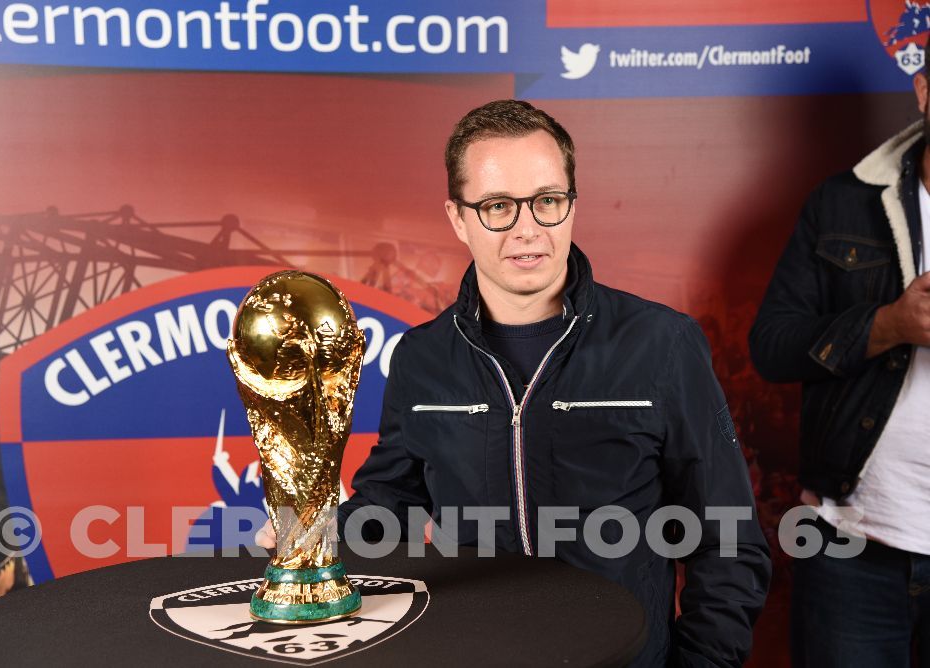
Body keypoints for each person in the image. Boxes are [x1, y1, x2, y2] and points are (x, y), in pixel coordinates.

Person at [261, 99, 770, 666]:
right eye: (498, 206)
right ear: (457, 217)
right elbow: (395, 501)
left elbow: (729, 540)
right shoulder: (422, 358)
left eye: (548, 202)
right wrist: (313, 534)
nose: (528, 230)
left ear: (572, 205)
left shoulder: (662, 344)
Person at [748, 44, 930, 667]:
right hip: (852, 540)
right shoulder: (843, 203)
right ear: (925, 93)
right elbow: (772, 348)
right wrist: (890, 324)